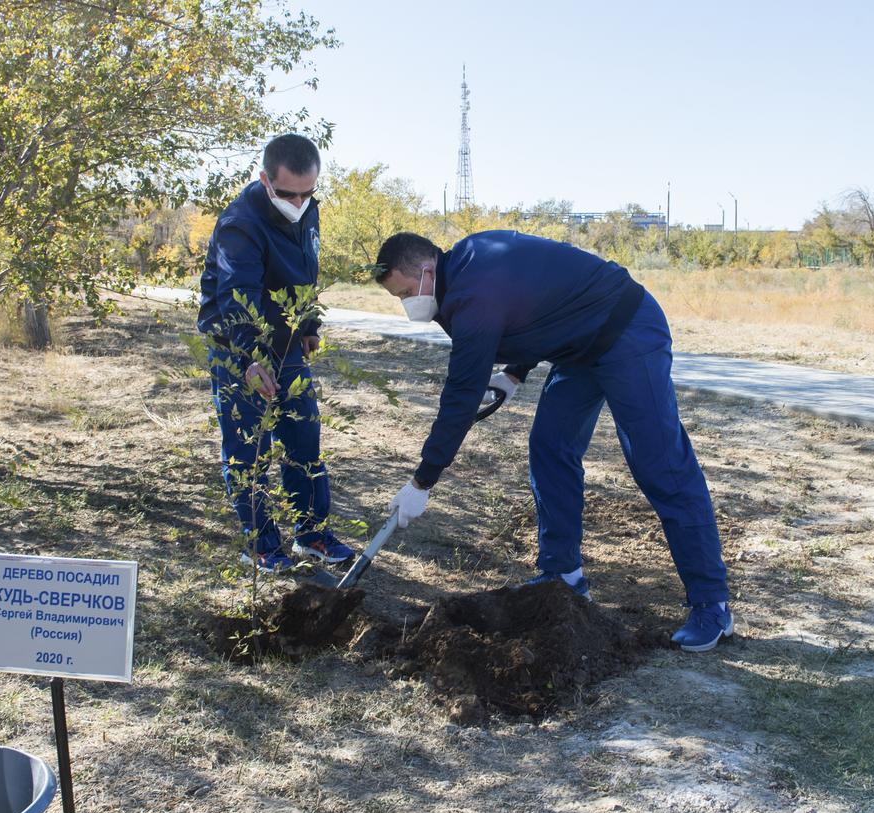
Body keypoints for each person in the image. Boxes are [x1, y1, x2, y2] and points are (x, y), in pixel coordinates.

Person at [373, 230, 733, 652]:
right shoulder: (470, 264)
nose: (407, 305)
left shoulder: (472, 293)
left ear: (428, 269)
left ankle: (713, 604)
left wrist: (422, 482)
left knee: (660, 464)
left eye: (405, 292)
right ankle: (562, 573)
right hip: (579, 347)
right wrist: (514, 373)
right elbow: (538, 302)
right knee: (550, 448)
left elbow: (459, 399)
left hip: (627, 329)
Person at [196, 133, 355, 572]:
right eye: (288, 193)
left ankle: (312, 535)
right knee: (249, 454)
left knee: (304, 441)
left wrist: (307, 326)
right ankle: (263, 545)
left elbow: (304, 272)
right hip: (237, 350)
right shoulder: (239, 225)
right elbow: (237, 297)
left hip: (287, 349)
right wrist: (249, 360)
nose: (299, 202)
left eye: (309, 192)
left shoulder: (307, 209)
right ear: (266, 180)